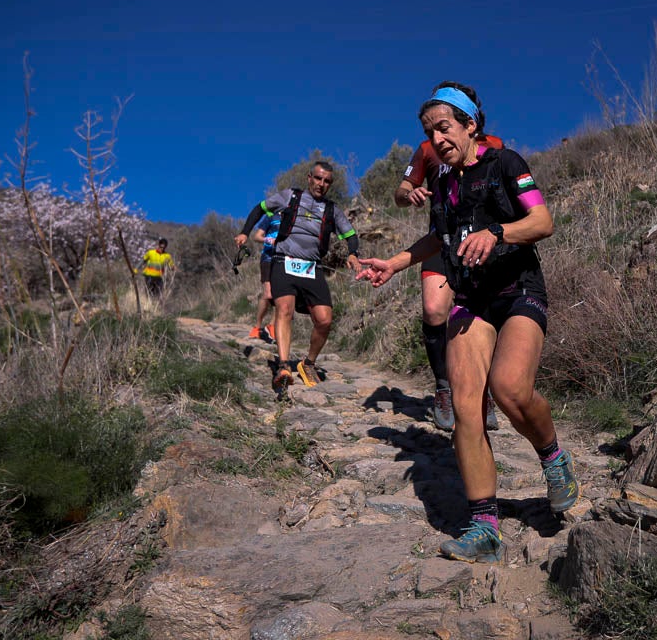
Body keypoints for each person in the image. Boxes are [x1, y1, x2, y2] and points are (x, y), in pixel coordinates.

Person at [358, 83, 579, 563]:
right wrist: (395, 263)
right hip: (471, 299)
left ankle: (553, 457)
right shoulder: (442, 183)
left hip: (517, 290)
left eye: (444, 128)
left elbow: (542, 222)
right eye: (428, 132)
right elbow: (437, 237)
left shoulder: (507, 164)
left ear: (470, 125)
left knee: (510, 388)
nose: (436, 139)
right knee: (465, 409)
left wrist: (496, 231)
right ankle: (484, 526)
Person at [394, 83, 502, 433]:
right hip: (440, 243)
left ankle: (482, 394)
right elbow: (401, 190)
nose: (438, 135)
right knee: (433, 311)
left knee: (484, 318)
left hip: (482, 243)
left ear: (467, 116)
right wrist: (410, 193)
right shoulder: (427, 149)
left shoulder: (495, 147)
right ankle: (443, 387)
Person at [236, 161, 362, 394]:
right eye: (318, 179)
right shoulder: (290, 197)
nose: (321, 184)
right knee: (284, 309)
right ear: (309, 178)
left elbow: (350, 235)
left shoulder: (332, 210)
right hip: (283, 261)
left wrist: (353, 253)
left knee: (324, 319)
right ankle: (283, 366)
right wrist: (245, 232)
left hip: (311, 268)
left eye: (327, 181)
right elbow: (259, 209)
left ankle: (308, 363)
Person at [247, 212, 279, 343]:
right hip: (268, 258)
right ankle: (258, 327)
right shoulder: (272, 216)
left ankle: (271, 326)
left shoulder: (294, 217)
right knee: (268, 294)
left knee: (281, 295)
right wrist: (268, 240)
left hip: (284, 260)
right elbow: (257, 236)